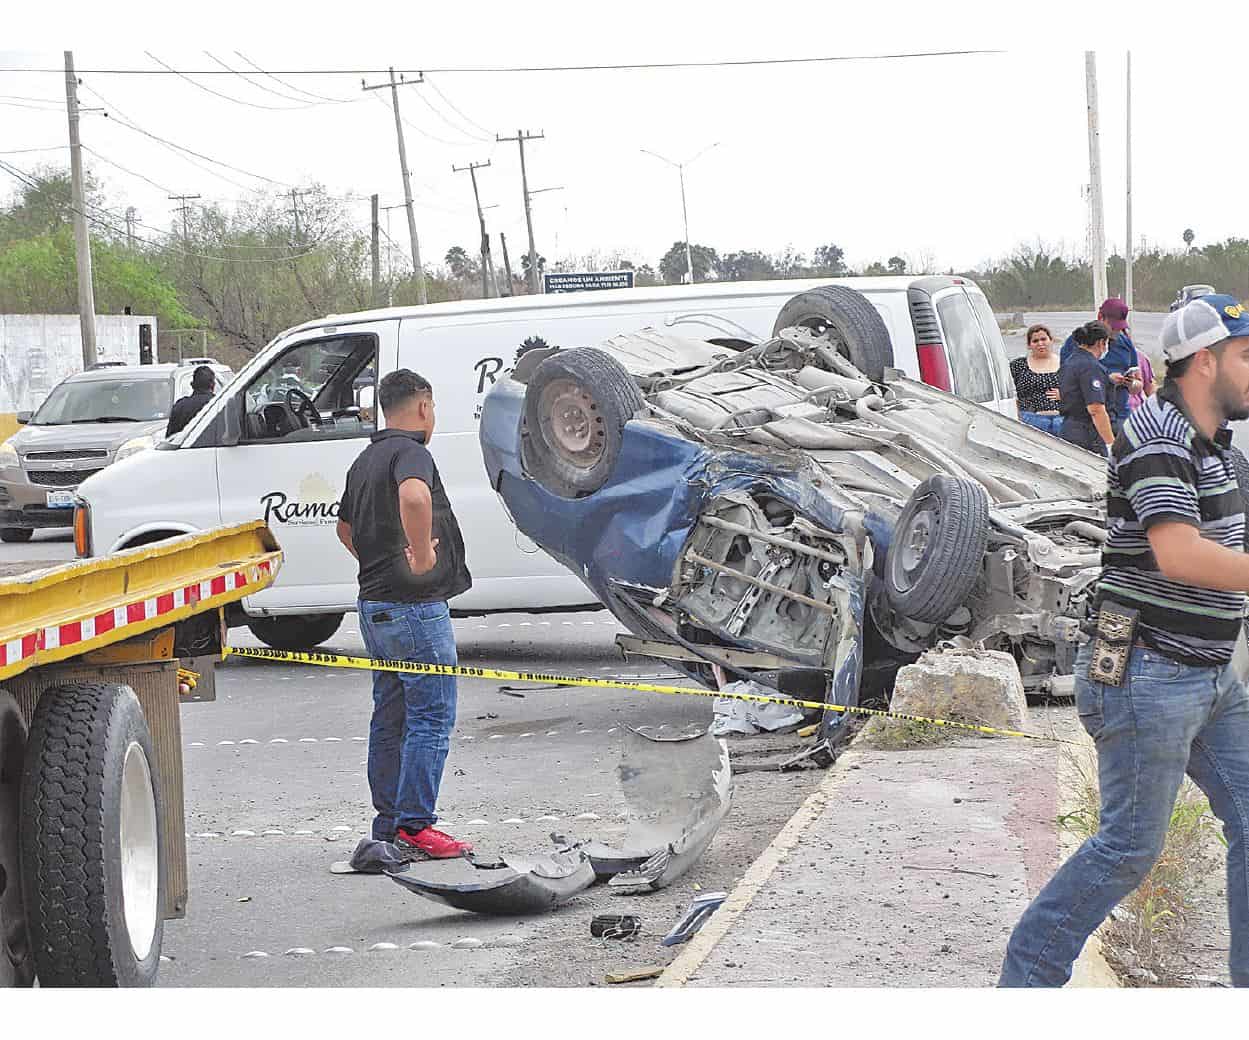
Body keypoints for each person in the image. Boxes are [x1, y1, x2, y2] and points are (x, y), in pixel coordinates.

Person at [999, 294, 1249, 988]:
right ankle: (1024, 985)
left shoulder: (1213, 446)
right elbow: (1179, 555)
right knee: (1128, 849)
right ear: (1204, 362)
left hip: (1206, 675)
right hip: (1146, 673)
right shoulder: (1157, 436)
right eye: (1246, 355)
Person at [336, 369, 474, 862]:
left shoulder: (365, 459)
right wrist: (419, 557)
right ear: (422, 407)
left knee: (390, 716)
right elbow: (414, 496)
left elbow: (344, 528)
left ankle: (388, 825)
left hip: (375, 606)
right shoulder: (411, 451)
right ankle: (416, 825)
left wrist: (379, 564)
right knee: (431, 716)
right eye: (432, 409)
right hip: (415, 609)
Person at [1060, 297, 1142, 434]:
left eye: (1119, 328)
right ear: (1100, 317)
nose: (1115, 331)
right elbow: (1067, 380)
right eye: (1113, 326)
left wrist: (1130, 383)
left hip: (1120, 414)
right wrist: (1107, 380)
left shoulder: (1126, 344)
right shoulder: (1076, 343)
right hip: (1086, 418)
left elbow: (1138, 385)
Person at [1057, 321, 1116, 456]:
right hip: (1088, 435)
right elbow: (1096, 409)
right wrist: (1111, 444)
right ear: (1101, 343)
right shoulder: (1091, 367)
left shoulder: (1070, 362)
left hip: (1069, 430)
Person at [1011, 324, 1062, 434]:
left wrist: (1066, 394)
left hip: (1061, 419)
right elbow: (1008, 391)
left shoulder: (1066, 363)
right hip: (1030, 419)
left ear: (1051, 340)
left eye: (1044, 339)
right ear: (1029, 345)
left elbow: (1080, 391)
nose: (1040, 344)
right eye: (1035, 341)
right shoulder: (1018, 365)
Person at [165, 365, 216, 436]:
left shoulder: (180, 406)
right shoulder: (218, 405)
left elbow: (170, 437)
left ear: (192, 384)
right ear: (212, 385)